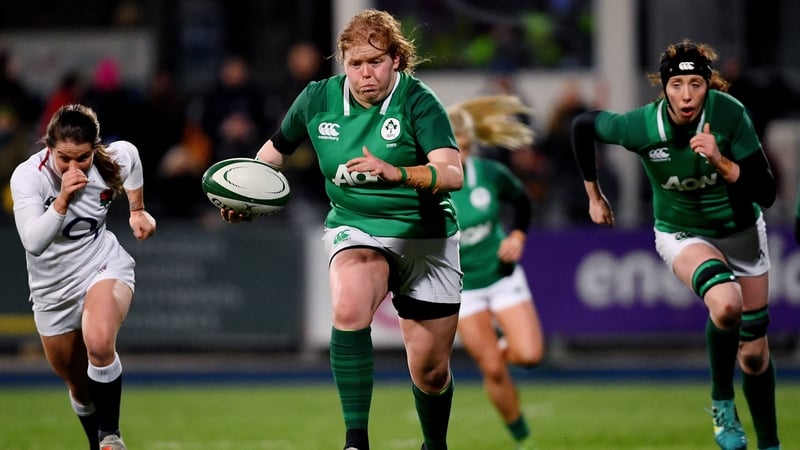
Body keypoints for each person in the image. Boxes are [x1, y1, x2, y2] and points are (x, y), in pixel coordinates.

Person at [221, 9, 463, 450]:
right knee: (350, 307)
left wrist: (399, 173)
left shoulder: (418, 101)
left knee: (430, 372)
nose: (365, 73)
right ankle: (356, 441)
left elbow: (451, 173)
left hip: (426, 235)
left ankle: (435, 445)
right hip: (357, 225)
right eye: (355, 63)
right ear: (342, 63)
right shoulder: (318, 99)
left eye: (375, 61)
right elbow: (275, 150)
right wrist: (246, 195)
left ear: (396, 60)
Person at [571, 40, 780, 450]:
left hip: (741, 231)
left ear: (709, 86)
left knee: (754, 355)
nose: (687, 95)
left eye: (696, 84)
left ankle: (770, 444)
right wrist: (594, 195)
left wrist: (722, 162)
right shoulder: (642, 127)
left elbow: (767, 192)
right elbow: (582, 126)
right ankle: (722, 404)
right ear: (664, 87)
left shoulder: (730, 114)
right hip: (682, 232)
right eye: (677, 84)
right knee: (726, 303)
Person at [10, 104, 157, 450]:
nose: (73, 167)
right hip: (52, 292)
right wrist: (62, 199)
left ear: (95, 149)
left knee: (101, 343)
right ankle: (98, 442)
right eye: (64, 159)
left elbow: (131, 156)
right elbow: (33, 242)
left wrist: (137, 209)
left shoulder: (109, 162)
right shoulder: (28, 177)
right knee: (78, 385)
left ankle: (111, 437)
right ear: (48, 148)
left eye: (83, 158)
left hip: (101, 266)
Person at [446, 96, 544, 450]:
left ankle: (501, 344)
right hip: (463, 288)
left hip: (501, 274)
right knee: (492, 368)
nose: (463, 152)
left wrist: (517, 235)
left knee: (530, 356)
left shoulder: (488, 174)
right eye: (456, 145)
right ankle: (523, 440)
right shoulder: (428, 185)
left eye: (467, 145)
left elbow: (521, 201)